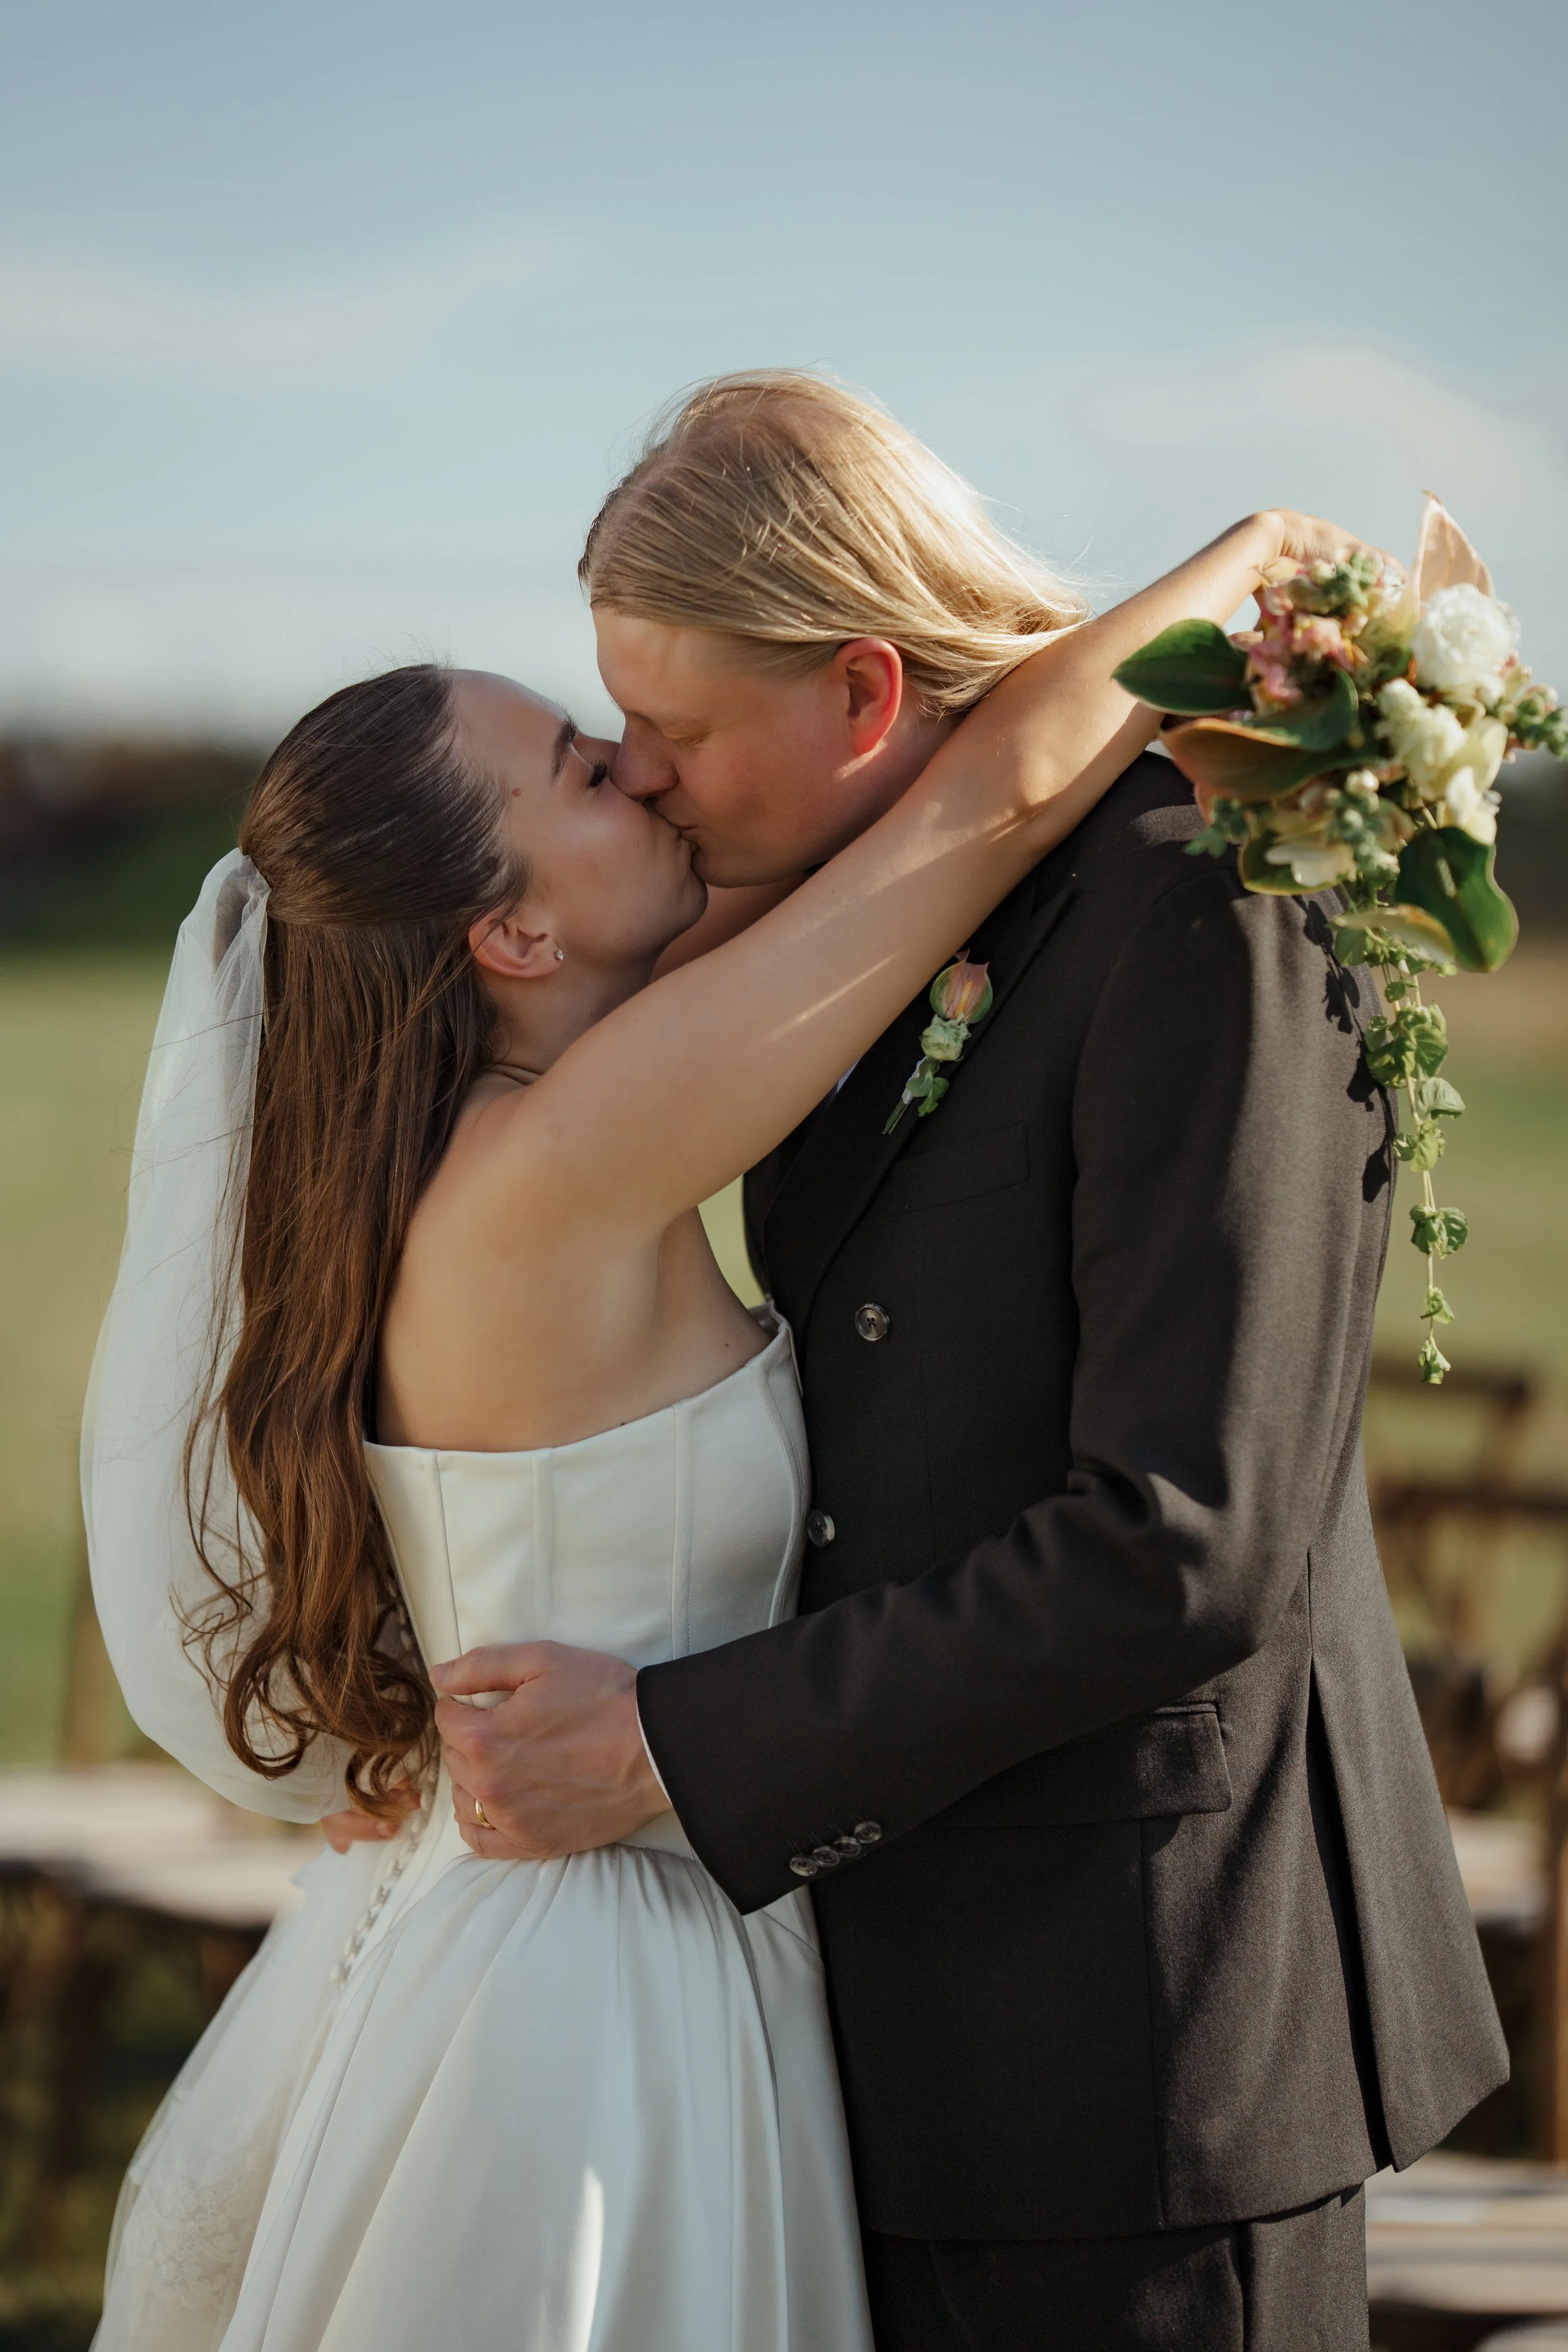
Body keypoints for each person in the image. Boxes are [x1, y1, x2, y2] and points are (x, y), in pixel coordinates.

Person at [81, 393, 1354, 2349]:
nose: (654, 789)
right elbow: (983, 801)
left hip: (647, 1916)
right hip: (592, 1978)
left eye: (643, 743)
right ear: (508, 925)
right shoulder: (565, 1159)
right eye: (601, 768)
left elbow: (916, 813)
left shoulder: (536, 1097)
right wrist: (1259, 556)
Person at [419, 374, 1510, 2352]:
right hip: (890, 2007)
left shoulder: (1205, 896)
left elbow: (1186, 1541)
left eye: (666, 732)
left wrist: (674, 1742)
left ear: (855, 696)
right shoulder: (851, 920)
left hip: (1149, 2042)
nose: (641, 778)